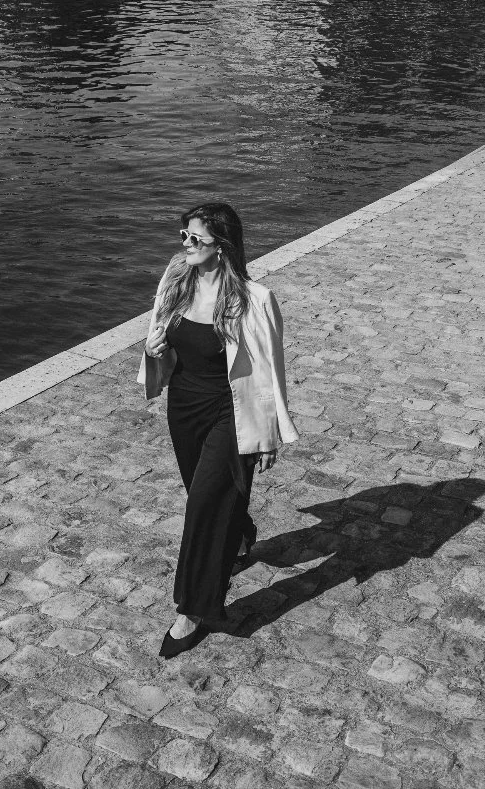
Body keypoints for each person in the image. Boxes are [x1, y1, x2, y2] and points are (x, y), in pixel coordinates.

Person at [138, 202, 299, 658]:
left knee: (202, 510)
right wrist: (152, 349)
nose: (185, 245)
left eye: (196, 239)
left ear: (222, 247)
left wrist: (269, 433)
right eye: (183, 236)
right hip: (184, 408)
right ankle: (242, 533)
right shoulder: (175, 283)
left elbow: (270, 370)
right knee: (207, 496)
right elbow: (161, 346)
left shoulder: (254, 299)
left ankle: (192, 609)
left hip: (233, 414)